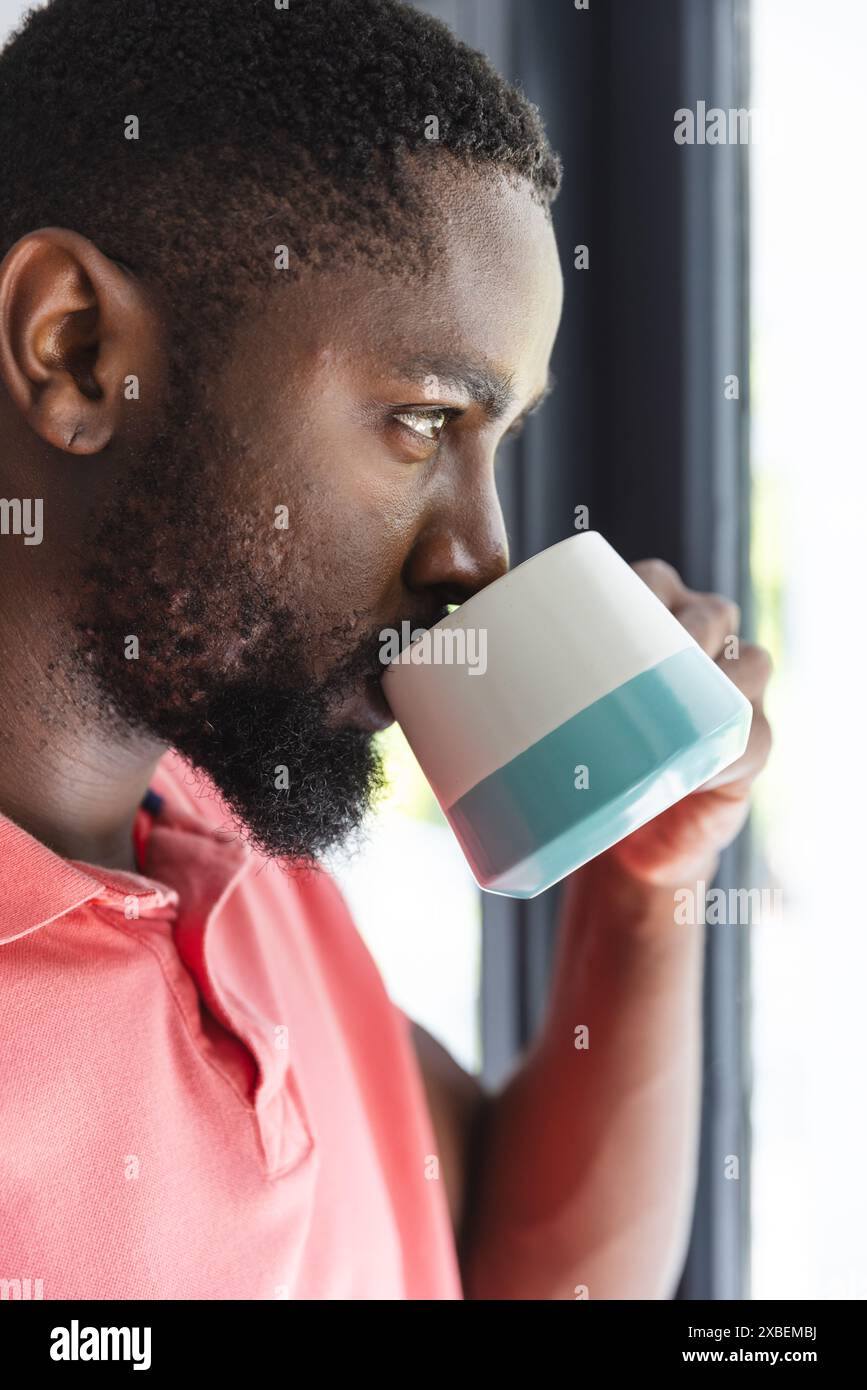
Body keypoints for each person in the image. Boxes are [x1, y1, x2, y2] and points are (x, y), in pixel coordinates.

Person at [0, 0, 772, 1300]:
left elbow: (509, 1263)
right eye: (423, 420)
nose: (481, 554)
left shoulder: (204, 817)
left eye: (501, 442)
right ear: (77, 351)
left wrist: (644, 885)